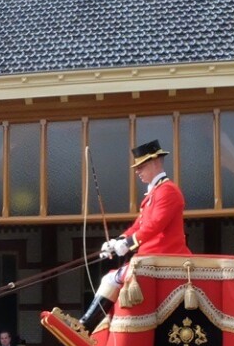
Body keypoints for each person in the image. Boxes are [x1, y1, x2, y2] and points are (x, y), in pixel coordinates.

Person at [78, 139, 191, 331]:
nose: (138, 171)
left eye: (142, 166)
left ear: (156, 162)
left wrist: (130, 243)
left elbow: (155, 225)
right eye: (137, 167)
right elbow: (140, 225)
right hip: (150, 256)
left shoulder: (168, 191)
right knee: (111, 277)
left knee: (110, 279)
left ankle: (85, 326)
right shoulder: (154, 193)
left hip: (164, 256)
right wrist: (118, 240)